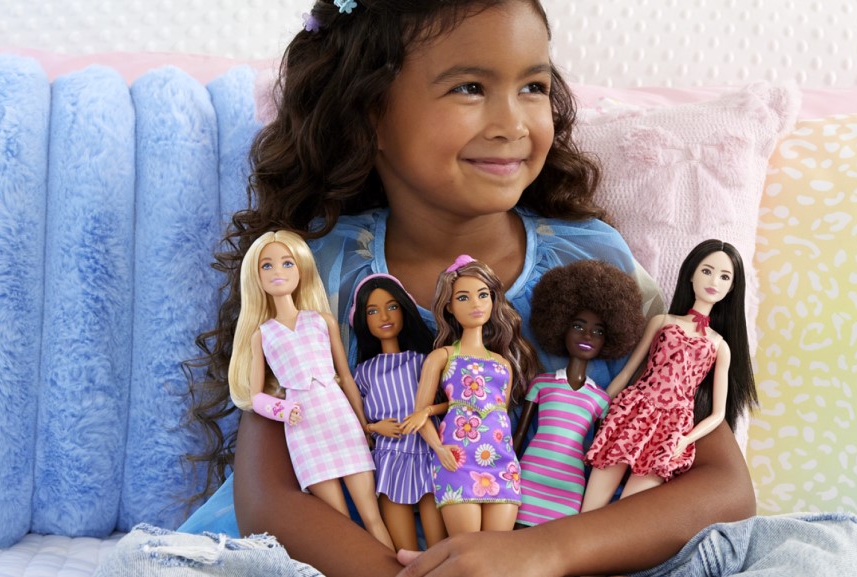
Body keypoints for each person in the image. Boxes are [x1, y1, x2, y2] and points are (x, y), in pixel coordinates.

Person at [184, 0, 758, 575]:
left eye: (533, 87)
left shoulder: (593, 261)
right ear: (368, 113)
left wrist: (544, 552)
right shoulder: (317, 270)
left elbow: (724, 487)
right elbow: (266, 498)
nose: (512, 123)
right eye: (469, 88)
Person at [227, 230, 394, 550]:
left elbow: (346, 377)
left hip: (340, 419)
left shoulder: (321, 321)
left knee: (372, 515)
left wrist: (364, 425)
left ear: (301, 268)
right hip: (303, 430)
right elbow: (255, 396)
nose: (277, 272)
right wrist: (282, 410)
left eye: (287, 263)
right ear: (255, 276)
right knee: (340, 523)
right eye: (267, 265)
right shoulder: (262, 335)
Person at [581, 240, 759, 511]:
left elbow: (718, 414)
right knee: (590, 507)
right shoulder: (663, 322)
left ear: (732, 287)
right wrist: (595, 407)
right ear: (691, 274)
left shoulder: (719, 346)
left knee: (627, 513)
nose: (714, 281)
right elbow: (629, 371)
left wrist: (686, 439)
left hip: (671, 429)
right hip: (633, 411)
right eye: (707, 271)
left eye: (725, 277)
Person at [400, 256, 538, 535]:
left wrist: (431, 411)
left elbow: (499, 413)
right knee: (467, 546)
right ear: (449, 306)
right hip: (457, 457)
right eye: (463, 297)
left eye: (483, 295)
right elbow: (423, 413)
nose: (476, 304)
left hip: (502, 460)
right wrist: (439, 449)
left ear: (493, 300)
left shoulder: (503, 364)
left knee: (498, 548)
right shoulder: (442, 356)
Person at [510, 260, 645, 527]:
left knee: (557, 542)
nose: (587, 336)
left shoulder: (600, 400)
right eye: (578, 326)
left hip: (570, 482)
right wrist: (505, 470)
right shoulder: (541, 384)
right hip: (530, 472)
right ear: (560, 326)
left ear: (610, 339)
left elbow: (598, 453)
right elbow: (519, 435)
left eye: (598, 331)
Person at [349, 273, 448, 551]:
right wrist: (373, 427)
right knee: (403, 552)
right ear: (362, 320)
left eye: (392, 306)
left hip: (428, 452)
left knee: (441, 547)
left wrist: (426, 412)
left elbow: (450, 402)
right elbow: (353, 420)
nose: (384, 316)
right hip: (389, 458)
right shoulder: (363, 372)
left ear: (405, 310)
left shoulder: (424, 362)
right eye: (372, 311)